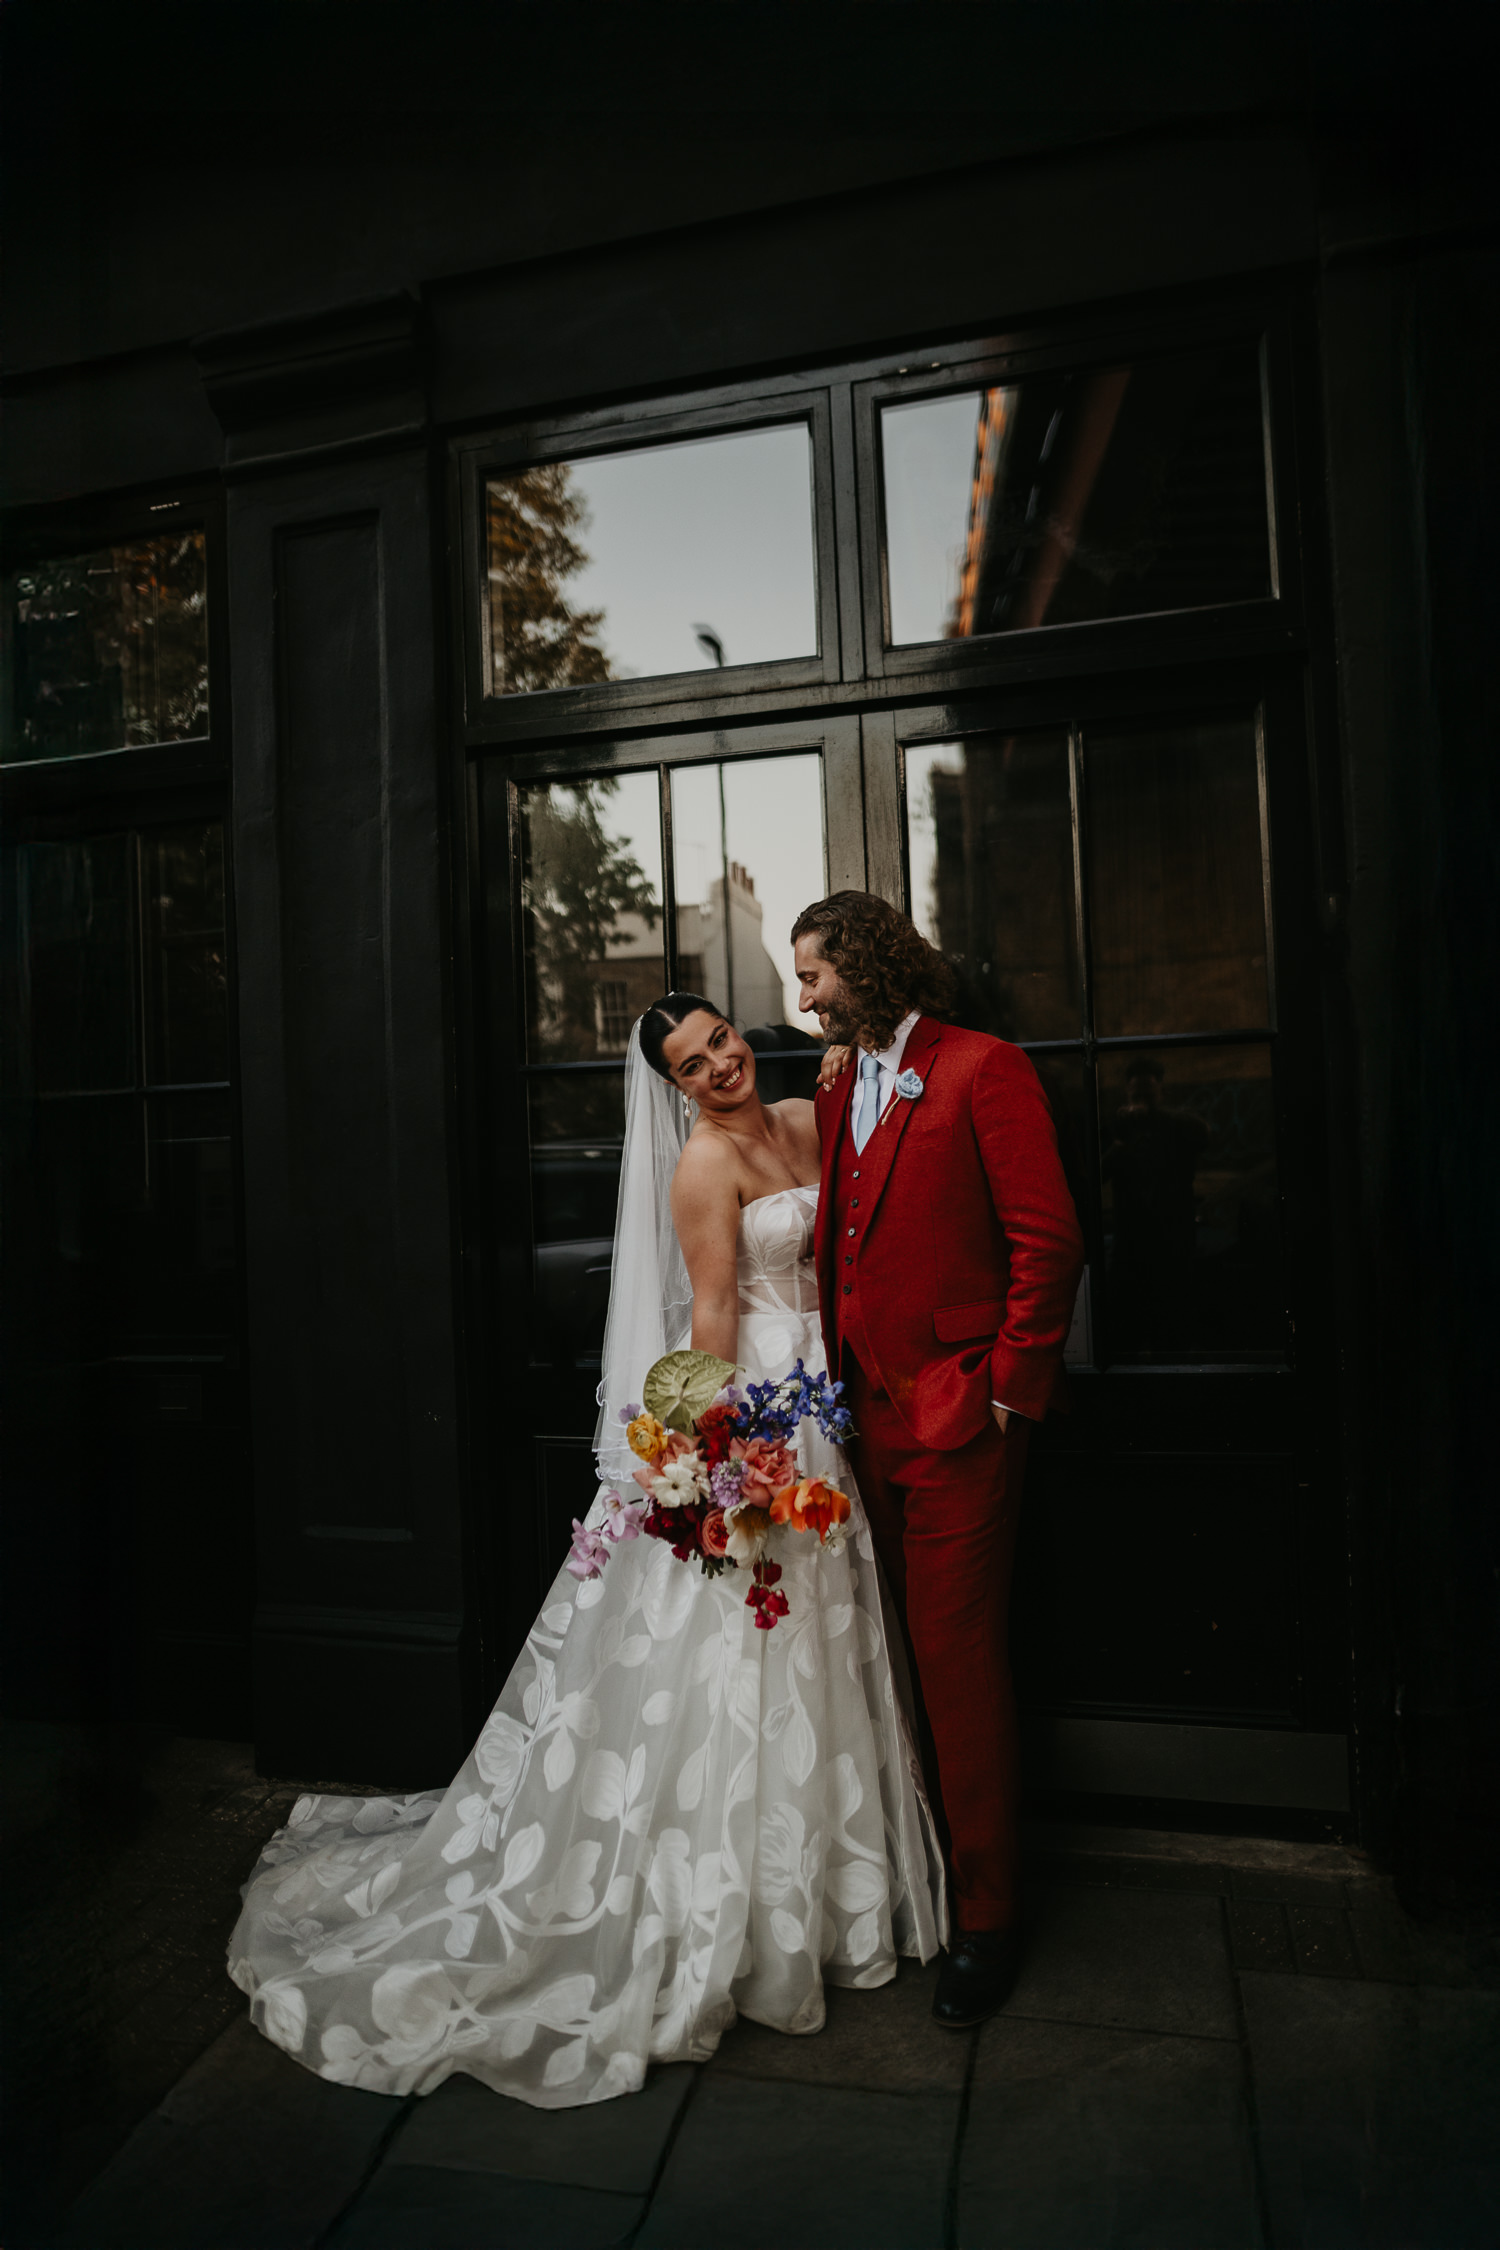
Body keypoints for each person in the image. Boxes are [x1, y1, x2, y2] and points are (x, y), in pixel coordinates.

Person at [227, 996, 944, 2107]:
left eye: (721, 1040)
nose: (718, 1065)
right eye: (690, 1063)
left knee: (825, 1644)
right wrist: (707, 1464)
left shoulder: (809, 1112)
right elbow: (710, 1315)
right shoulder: (703, 1167)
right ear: (670, 1087)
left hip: (828, 1410)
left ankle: (828, 1892)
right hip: (762, 1415)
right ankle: (728, 1910)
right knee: (745, 1645)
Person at [792, 891, 1084, 2027]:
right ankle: (920, 1880)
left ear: (863, 965)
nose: (801, 996)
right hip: (862, 1422)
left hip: (962, 1421)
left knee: (957, 1663)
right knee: (896, 1661)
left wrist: (1008, 1391)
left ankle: (989, 1918)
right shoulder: (835, 1085)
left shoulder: (981, 1067)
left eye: (812, 974)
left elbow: (1048, 1242)